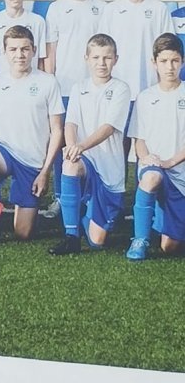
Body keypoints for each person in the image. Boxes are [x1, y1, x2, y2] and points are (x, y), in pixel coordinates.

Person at [0, 26, 64, 245]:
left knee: (23, 234)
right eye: (13, 49)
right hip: (4, 152)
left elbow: (57, 130)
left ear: (34, 50)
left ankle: (27, 207)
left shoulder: (48, 82)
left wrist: (45, 172)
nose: (19, 55)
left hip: (32, 161)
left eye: (25, 49)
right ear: (5, 52)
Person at [48, 34, 129, 256]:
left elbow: (108, 127)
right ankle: (71, 236)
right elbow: (71, 123)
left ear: (116, 59)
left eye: (107, 58)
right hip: (86, 162)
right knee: (70, 164)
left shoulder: (121, 89)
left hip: (109, 171)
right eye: (96, 57)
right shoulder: (78, 88)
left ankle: (87, 212)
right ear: (86, 58)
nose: (101, 63)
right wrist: (72, 148)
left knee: (97, 241)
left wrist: (81, 146)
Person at [42, 0, 105, 220]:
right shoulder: (56, 8)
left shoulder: (102, 8)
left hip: (92, 88)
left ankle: (90, 195)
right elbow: (51, 51)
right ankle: (61, 196)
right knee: (61, 143)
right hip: (64, 88)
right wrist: (51, 83)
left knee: (90, 142)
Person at [125, 32, 185, 261]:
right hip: (156, 168)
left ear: (182, 62)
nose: (169, 67)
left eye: (175, 60)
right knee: (151, 177)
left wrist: (171, 161)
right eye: (164, 61)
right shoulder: (145, 97)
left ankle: (162, 216)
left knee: (170, 247)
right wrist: (146, 158)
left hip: (179, 172)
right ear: (154, 63)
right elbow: (139, 139)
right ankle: (139, 240)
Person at [101, 0, 173, 105]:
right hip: (118, 84)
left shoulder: (159, 8)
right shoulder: (111, 9)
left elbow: (167, 49)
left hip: (150, 83)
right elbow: (103, 50)